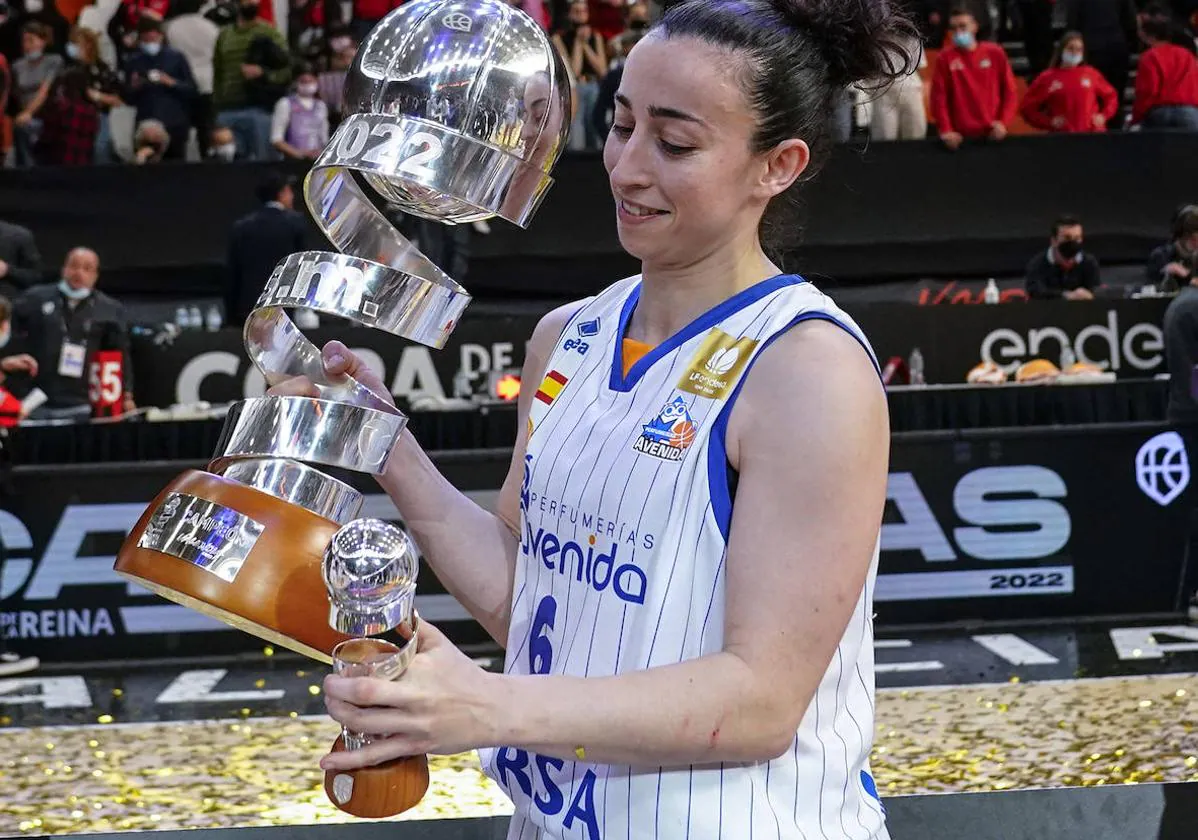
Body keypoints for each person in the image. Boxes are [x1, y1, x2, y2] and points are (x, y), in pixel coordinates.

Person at [272, 0, 908, 836]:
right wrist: (384, 444)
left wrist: (489, 704)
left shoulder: (807, 368)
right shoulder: (566, 335)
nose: (626, 167)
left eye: (674, 143)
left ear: (777, 166)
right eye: (620, 125)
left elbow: (761, 703)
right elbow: (527, 592)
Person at [10, 247, 135, 421]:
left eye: (87, 268)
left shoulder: (109, 309)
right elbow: (9, 336)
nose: (79, 273)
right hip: (35, 398)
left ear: (95, 276)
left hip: (82, 402)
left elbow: (120, 354)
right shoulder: (34, 299)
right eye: (74, 266)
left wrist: (126, 394)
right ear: (63, 269)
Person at [929, 6, 1018, 150]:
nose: (958, 31)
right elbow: (939, 98)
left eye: (963, 26)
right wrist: (946, 129)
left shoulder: (995, 53)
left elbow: (1010, 91)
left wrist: (1003, 122)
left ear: (975, 27)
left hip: (992, 134)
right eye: (953, 28)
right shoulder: (945, 58)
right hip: (959, 139)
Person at [224, 171, 307, 324]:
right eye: (289, 191)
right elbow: (302, 267)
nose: (292, 197)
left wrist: (230, 316)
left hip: (249, 309)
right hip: (283, 309)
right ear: (282, 194)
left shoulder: (242, 227)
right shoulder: (295, 224)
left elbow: (232, 274)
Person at [1020, 32, 1120, 133]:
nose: (1074, 52)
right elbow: (1027, 108)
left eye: (1079, 49)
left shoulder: (1091, 73)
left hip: (1092, 135)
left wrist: (1103, 116)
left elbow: (1111, 96)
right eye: (1070, 48)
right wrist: (1048, 122)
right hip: (1063, 138)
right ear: (1061, 50)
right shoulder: (1047, 77)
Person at [1130, 11, 1198, 130]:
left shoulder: (1149, 56)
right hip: (1189, 111)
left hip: (1159, 112)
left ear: (1146, 35)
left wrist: (1136, 118)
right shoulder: (1186, 54)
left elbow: (1147, 92)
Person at [1025, 215, 1101, 300]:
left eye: (1077, 238)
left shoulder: (1089, 262)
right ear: (1054, 241)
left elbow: (1097, 291)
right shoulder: (1037, 264)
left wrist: (1088, 295)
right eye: (1067, 238)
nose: (1073, 243)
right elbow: (1036, 293)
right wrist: (1066, 296)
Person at [1148, 204, 1198, 291]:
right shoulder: (1161, 256)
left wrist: (1186, 275)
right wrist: (1166, 273)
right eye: (1192, 238)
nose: (1196, 243)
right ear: (1180, 235)